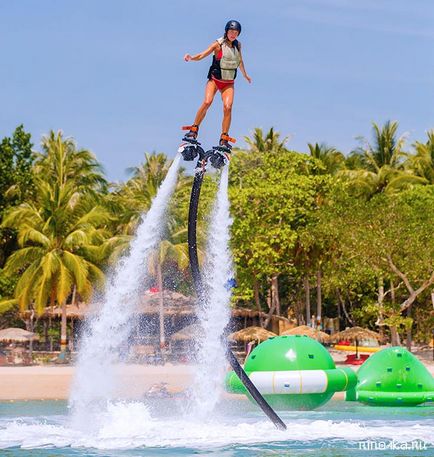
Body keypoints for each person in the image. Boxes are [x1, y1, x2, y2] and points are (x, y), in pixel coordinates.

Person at [183, 20, 252, 151]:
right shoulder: (218, 44)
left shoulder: (238, 45)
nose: (233, 34)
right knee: (207, 101)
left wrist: (245, 75)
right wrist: (191, 57)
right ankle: (194, 129)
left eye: (236, 32)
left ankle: (224, 137)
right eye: (231, 31)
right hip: (215, 80)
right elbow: (202, 55)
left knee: (228, 107)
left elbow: (240, 61)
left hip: (228, 83)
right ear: (226, 31)